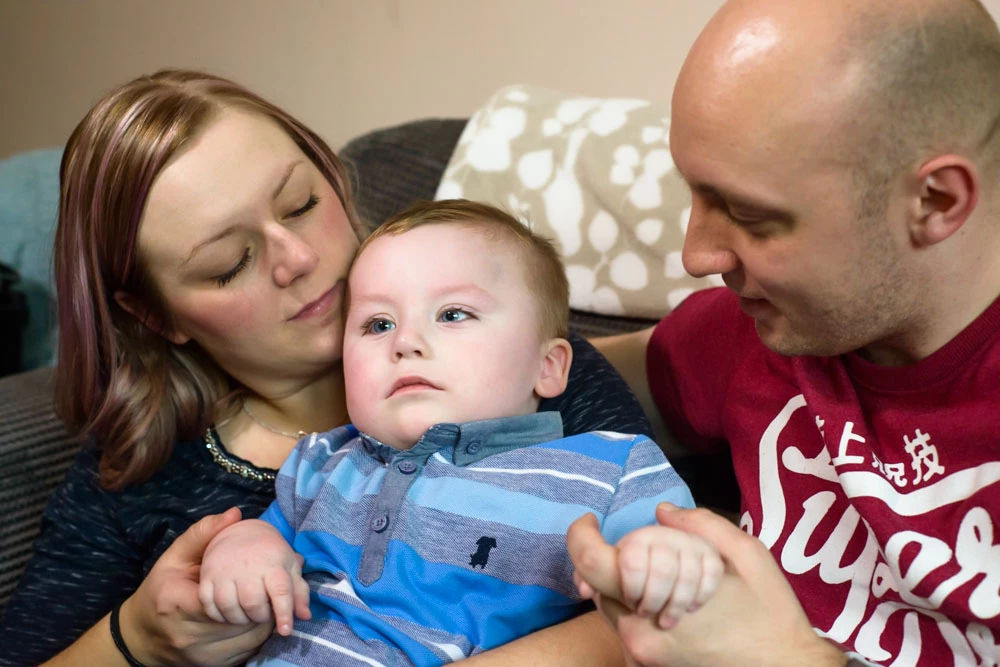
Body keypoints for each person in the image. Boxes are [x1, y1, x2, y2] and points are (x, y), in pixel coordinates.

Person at [0, 70, 653, 667]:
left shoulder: (511, 362)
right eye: (230, 262)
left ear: (332, 176)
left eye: (300, 204)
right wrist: (135, 637)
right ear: (155, 314)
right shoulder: (136, 477)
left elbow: (668, 603)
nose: (296, 258)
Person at [568, 0, 1000, 665]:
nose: (697, 254)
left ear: (936, 201)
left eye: (748, 213)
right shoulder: (764, 328)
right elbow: (538, 368)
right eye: (695, 194)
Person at [197, 200, 717, 665]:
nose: (405, 342)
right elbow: (267, 538)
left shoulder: (608, 469)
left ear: (549, 367)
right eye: (377, 324)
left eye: (452, 314)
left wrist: (666, 559)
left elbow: (682, 565)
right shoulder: (322, 463)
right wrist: (244, 546)